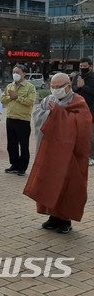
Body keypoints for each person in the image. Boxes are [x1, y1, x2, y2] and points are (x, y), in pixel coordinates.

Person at [25, 73, 92, 234]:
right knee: (50, 183)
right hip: (50, 152)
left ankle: (65, 220)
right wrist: (51, 113)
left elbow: (82, 124)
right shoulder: (48, 100)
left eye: (58, 87)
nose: (55, 90)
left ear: (68, 86)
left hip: (70, 155)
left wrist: (58, 113)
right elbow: (38, 115)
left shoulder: (78, 102)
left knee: (68, 186)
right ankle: (52, 216)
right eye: (53, 87)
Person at [1, 64, 37, 176]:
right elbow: (3, 99)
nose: (15, 74)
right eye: (14, 72)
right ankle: (14, 165)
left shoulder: (30, 87)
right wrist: (10, 97)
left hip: (23, 120)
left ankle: (22, 167)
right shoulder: (9, 86)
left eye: (18, 72)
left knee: (23, 145)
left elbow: (30, 101)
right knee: (11, 144)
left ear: (24, 74)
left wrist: (17, 97)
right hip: (10, 118)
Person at [72, 57, 94, 166]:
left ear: (90, 66)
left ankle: (91, 156)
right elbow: (73, 89)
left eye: (85, 66)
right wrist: (77, 87)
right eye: (81, 66)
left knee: (90, 134)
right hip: (77, 109)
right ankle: (79, 154)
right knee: (77, 133)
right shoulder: (77, 76)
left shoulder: (92, 77)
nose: (83, 68)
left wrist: (83, 86)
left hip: (91, 109)